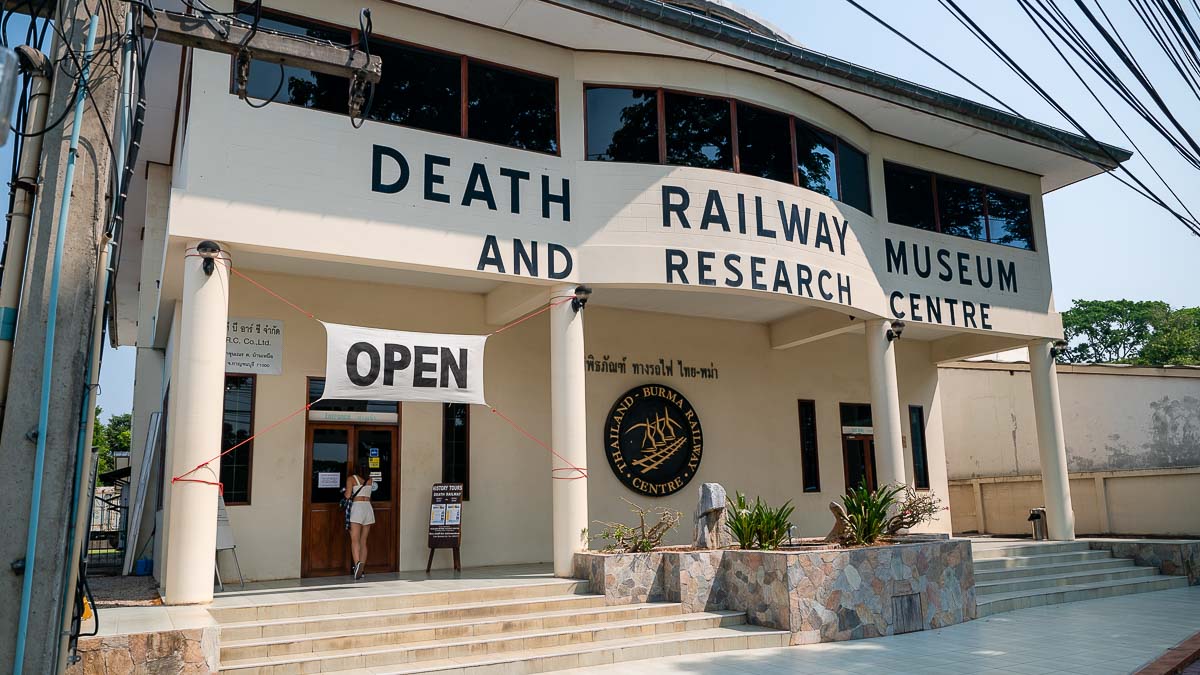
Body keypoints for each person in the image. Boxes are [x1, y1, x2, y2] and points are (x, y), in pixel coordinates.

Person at [344, 473, 377, 580]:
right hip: (368, 508)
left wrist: (344, 492)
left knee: (355, 540)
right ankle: (361, 569)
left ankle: (357, 563)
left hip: (357, 508)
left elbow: (348, 495)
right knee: (363, 541)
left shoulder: (351, 479)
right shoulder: (370, 480)